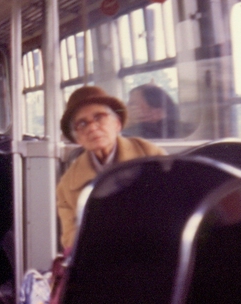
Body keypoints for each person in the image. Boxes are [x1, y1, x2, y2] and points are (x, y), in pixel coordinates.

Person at [56, 86, 166, 251]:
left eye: (99, 117)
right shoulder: (67, 185)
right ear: (77, 138)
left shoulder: (150, 153)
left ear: (117, 124)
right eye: (82, 123)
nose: (92, 128)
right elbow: (71, 240)